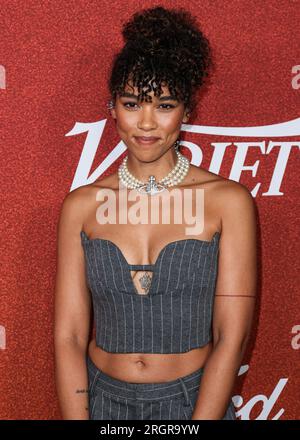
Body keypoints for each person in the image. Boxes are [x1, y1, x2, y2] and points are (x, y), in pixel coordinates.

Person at [54, 6, 257, 420]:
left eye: (164, 105)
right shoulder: (80, 206)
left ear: (187, 110)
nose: (146, 123)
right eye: (132, 103)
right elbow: (69, 337)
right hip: (102, 402)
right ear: (112, 107)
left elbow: (230, 337)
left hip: (193, 403)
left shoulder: (227, 202)